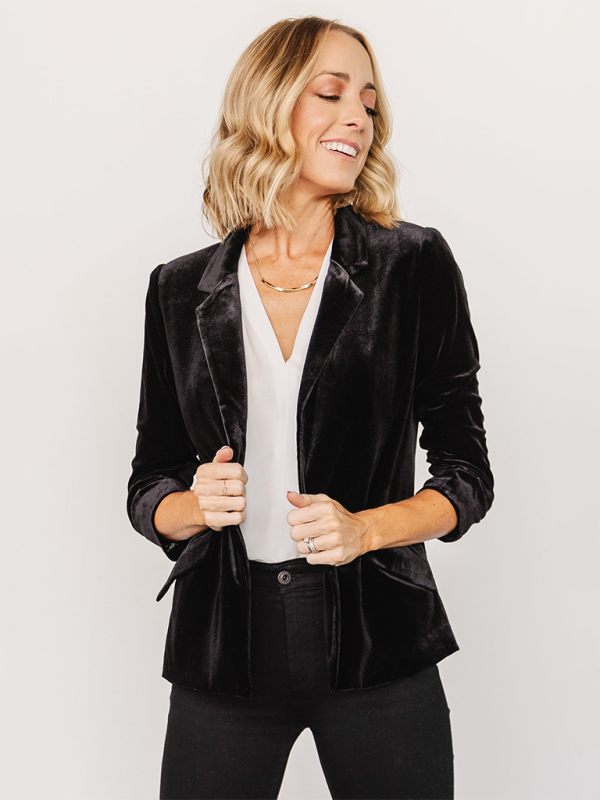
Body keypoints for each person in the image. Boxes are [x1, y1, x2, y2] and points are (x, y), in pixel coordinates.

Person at [127, 15, 494, 800]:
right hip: (224, 648)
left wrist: (366, 529)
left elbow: (467, 475)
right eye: (331, 93)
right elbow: (148, 484)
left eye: (368, 102)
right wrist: (189, 506)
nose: (357, 117)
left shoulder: (412, 264)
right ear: (267, 104)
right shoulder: (179, 288)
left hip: (377, 641)